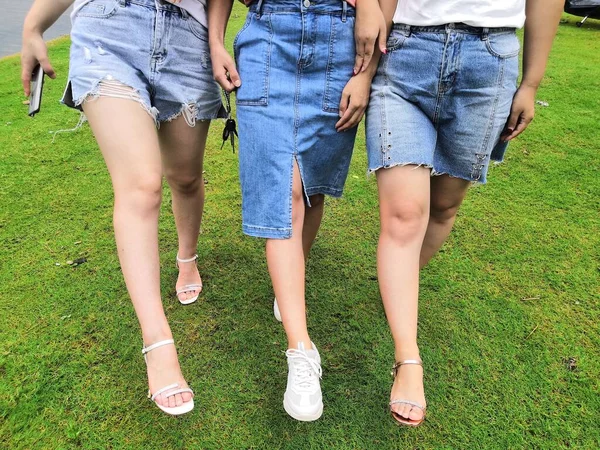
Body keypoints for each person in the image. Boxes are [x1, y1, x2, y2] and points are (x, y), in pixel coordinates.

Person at [366, 0, 564, 427]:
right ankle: (408, 359)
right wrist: (364, 70)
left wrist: (530, 84)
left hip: (489, 62)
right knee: (404, 214)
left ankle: (399, 288)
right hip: (404, 51)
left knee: (444, 206)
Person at [21, 0, 225, 415]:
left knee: (185, 177)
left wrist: (218, 40)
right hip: (109, 27)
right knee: (141, 185)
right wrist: (33, 25)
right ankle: (158, 343)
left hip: (189, 37)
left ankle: (188, 257)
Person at [208, 0, 386, 421]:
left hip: (341, 45)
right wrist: (215, 41)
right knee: (283, 193)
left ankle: (289, 286)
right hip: (270, 36)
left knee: (312, 188)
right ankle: (301, 350)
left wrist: (367, 73)